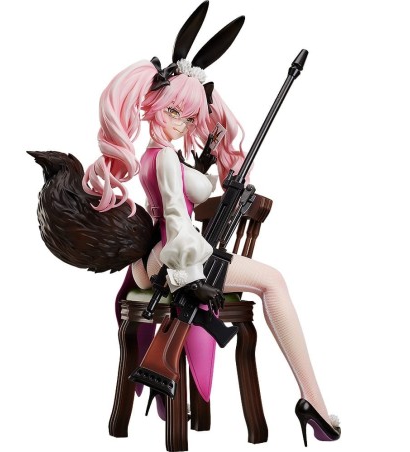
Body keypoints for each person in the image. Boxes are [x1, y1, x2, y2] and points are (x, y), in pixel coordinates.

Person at [83, 2, 340, 445]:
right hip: (175, 258)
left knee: (268, 280)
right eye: (173, 112)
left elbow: (188, 197)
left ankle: (304, 400)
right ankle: (312, 400)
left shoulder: (160, 155)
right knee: (273, 281)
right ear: (153, 104)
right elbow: (177, 220)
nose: (180, 124)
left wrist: (202, 168)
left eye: (188, 118)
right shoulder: (165, 158)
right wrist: (189, 278)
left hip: (158, 257)